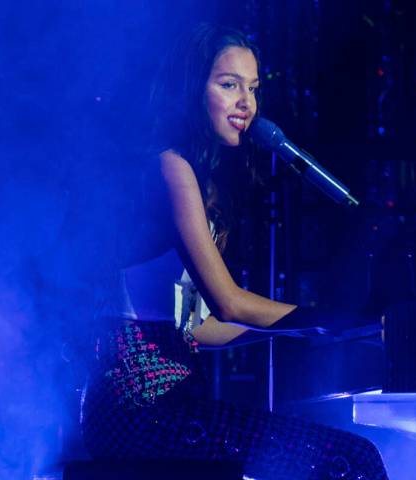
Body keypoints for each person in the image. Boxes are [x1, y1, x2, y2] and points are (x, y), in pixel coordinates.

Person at [80, 24, 388, 480]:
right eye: (229, 85)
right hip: (138, 403)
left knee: (339, 453)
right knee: (351, 459)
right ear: (192, 90)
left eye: (253, 87)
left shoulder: (197, 177)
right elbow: (228, 301)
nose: (247, 103)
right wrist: (331, 319)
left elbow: (200, 327)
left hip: (166, 395)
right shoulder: (170, 167)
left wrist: (302, 331)